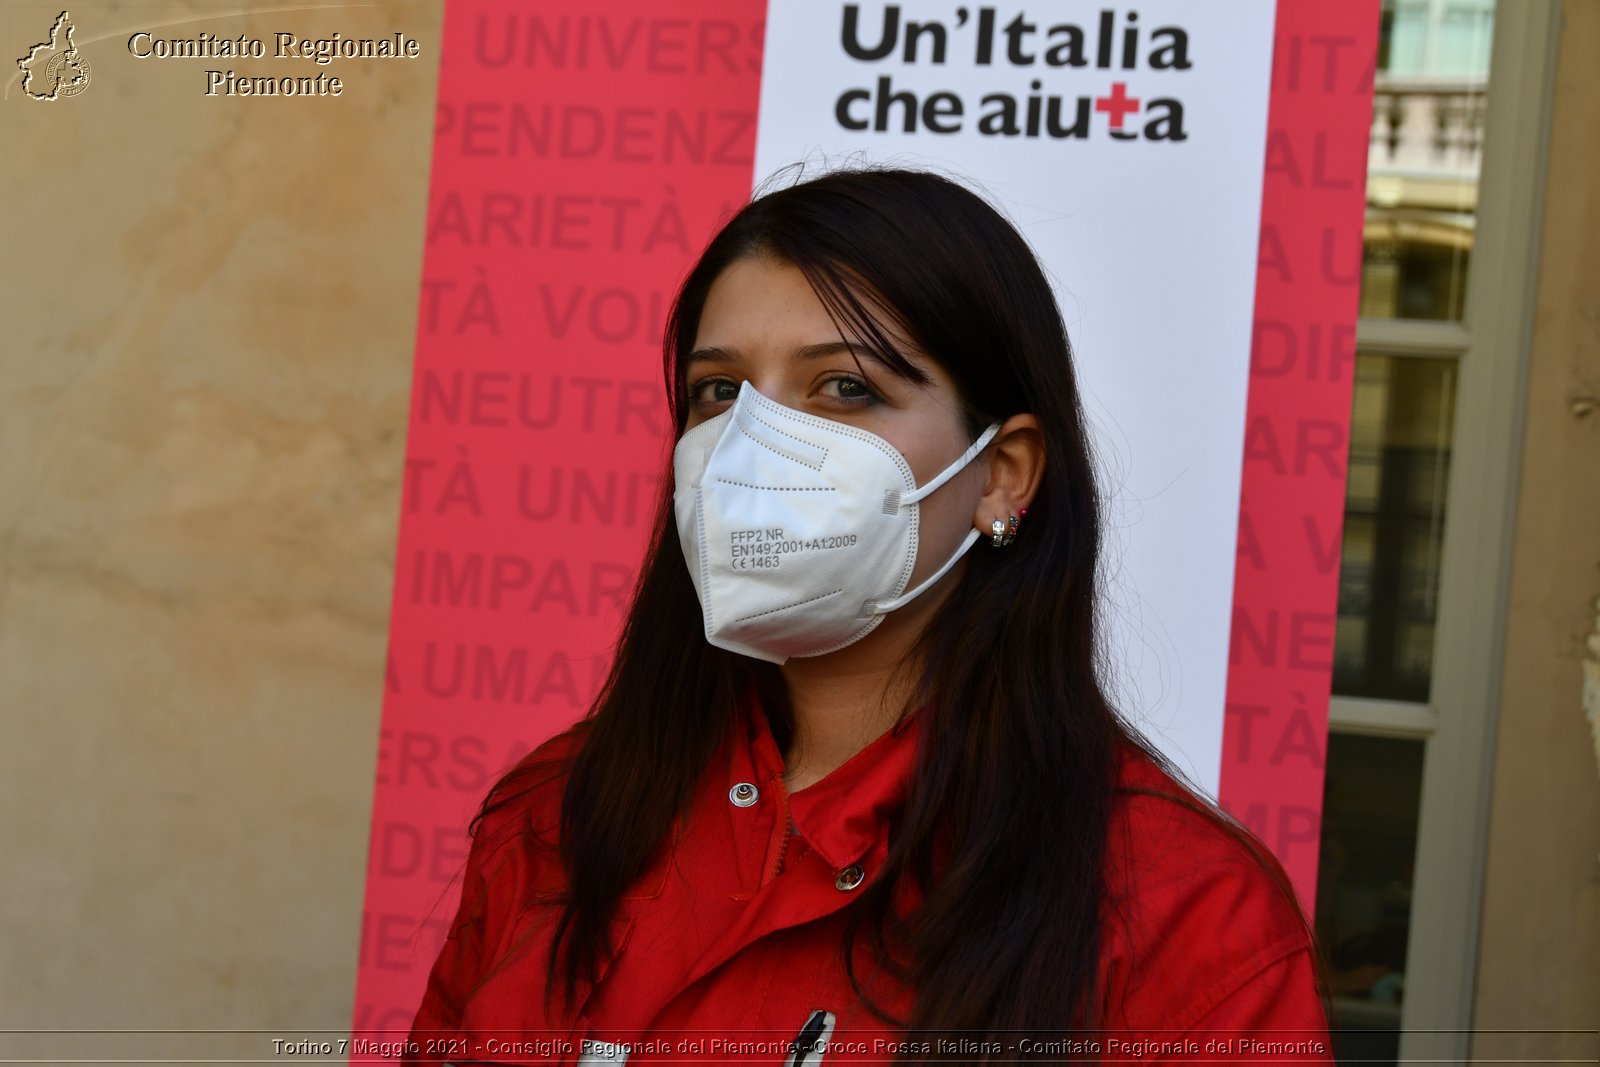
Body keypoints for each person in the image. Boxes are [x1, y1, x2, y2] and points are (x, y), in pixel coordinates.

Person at [403, 166, 1333, 1065]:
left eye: (845, 387)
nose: (752, 448)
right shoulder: (556, 817)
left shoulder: (1180, 912)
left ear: (1001, 472)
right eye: (720, 391)